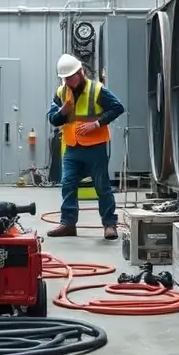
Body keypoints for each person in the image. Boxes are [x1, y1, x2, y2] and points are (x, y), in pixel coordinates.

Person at [45, 53, 125, 240]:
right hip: (72, 147)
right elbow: (52, 119)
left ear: (80, 72)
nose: (68, 82)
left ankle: (109, 225)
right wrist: (62, 113)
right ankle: (68, 224)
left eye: (71, 77)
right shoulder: (61, 92)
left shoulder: (97, 90)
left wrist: (96, 124)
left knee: (102, 185)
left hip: (95, 147)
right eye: (65, 78)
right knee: (68, 184)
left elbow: (117, 107)